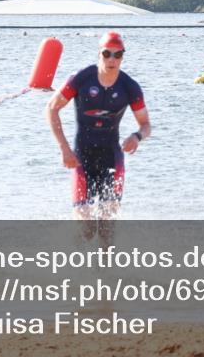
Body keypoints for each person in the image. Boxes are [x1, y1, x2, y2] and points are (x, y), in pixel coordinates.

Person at [46, 31, 151, 240]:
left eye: (117, 55)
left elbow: (146, 125)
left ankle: (106, 271)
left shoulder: (129, 87)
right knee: (86, 229)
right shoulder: (82, 78)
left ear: (122, 56)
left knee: (106, 229)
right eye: (107, 53)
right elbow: (51, 108)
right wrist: (64, 149)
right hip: (81, 157)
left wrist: (137, 136)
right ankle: (75, 261)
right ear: (99, 54)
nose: (112, 60)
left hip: (111, 156)